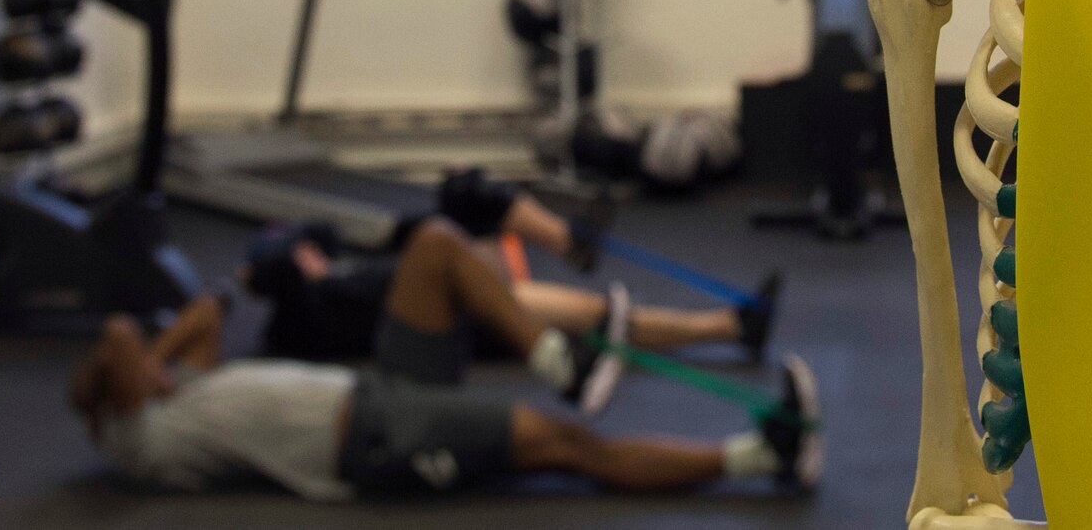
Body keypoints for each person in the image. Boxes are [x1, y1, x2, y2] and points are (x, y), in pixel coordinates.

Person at [67, 289, 821, 500]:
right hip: (377, 437)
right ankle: (759, 457)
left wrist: (165, 362)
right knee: (573, 448)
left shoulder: (175, 392)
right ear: (118, 398)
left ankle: (759, 455)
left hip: (381, 399)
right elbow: (118, 332)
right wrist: (147, 361)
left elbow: (204, 308)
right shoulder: (144, 439)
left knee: (571, 447)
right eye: (138, 376)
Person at [243, 170, 780, 375]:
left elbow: (310, 232)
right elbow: (267, 270)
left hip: (450, 267)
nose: (310, 254)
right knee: (597, 317)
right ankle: (731, 326)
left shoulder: (328, 266)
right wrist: (291, 268)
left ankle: (570, 242)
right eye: (300, 261)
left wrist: (302, 252)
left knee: (468, 194)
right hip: (467, 310)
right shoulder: (305, 316)